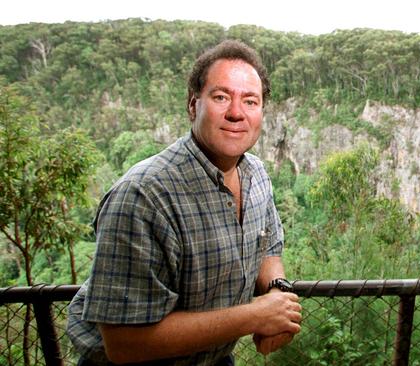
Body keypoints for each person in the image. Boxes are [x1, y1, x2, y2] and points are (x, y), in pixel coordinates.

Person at [66, 40, 301, 365]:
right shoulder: (144, 195)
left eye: (250, 100)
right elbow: (122, 343)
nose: (236, 112)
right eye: (221, 97)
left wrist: (276, 290)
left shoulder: (256, 175)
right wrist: (255, 316)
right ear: (193, 105)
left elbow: (268, 247)